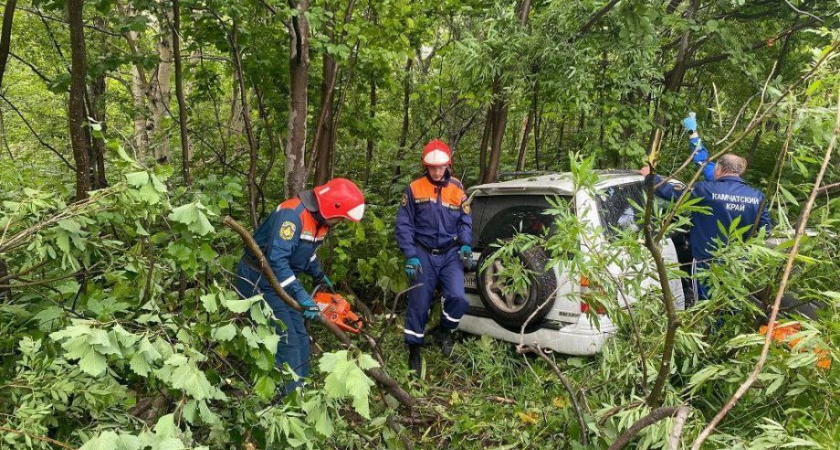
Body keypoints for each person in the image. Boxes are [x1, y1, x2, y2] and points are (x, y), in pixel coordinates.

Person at [235, 178, 365, 394]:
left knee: (301, 336)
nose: (341, 222)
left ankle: (299, 388)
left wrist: (319, 276)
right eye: (341, 218)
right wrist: (302, 296)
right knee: (287, 339)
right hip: (260, 279)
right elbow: (276, 261)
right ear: (332, 208)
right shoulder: (292, 216)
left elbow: (308, 253)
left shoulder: (320, 222)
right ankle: (285, 398)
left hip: (281, 281)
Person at [640, 113, 772, 302]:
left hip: (705, 263)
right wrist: (693, 133)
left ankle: (707, 330)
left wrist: (649, 177)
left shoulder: (705, 190)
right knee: (729, 302)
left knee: (705, 304)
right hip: (736, 263)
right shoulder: (758, 198)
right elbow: (765, 232)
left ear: (719, 169)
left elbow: (670, 192)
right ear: (740, 171)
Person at [395, 139, 473, 375]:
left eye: (441, 167)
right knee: (418, 304)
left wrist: (465, 244)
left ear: (448, 165)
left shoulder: (458, 189)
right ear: (425, 166)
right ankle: (414, 350)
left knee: (458, 297)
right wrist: (410, 255)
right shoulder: (414, 188)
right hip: (422, 252)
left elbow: (465, 220)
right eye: (432, 167)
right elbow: (403, 224)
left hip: (450, 253)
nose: (437, 171)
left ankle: (444, 331)